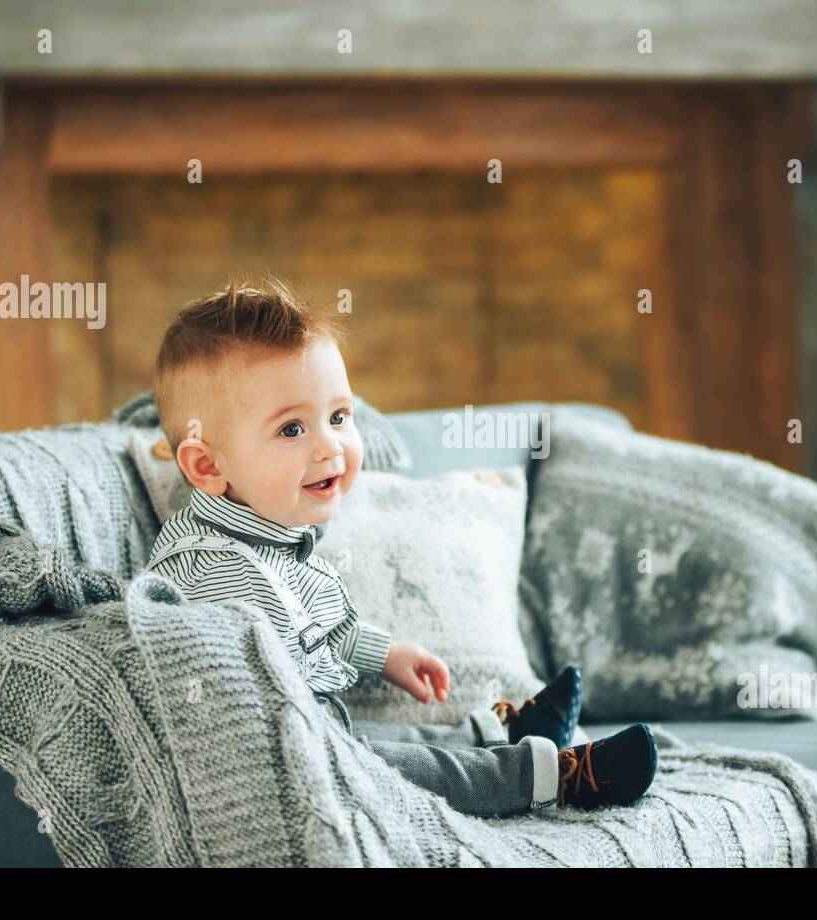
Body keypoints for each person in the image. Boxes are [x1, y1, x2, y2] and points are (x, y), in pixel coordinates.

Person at [146, 276, 657, 816]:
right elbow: (260, 722)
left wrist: (385, 654)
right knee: (397, 769)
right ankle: (548, 777)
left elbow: (315, 630)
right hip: (278, 763)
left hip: (315, 727)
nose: (330, 446)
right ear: (208, 466)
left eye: (339, 416)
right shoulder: (220, 572)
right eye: (292, 429)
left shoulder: (265, 537)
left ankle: (501, 729)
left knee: (387, 742)